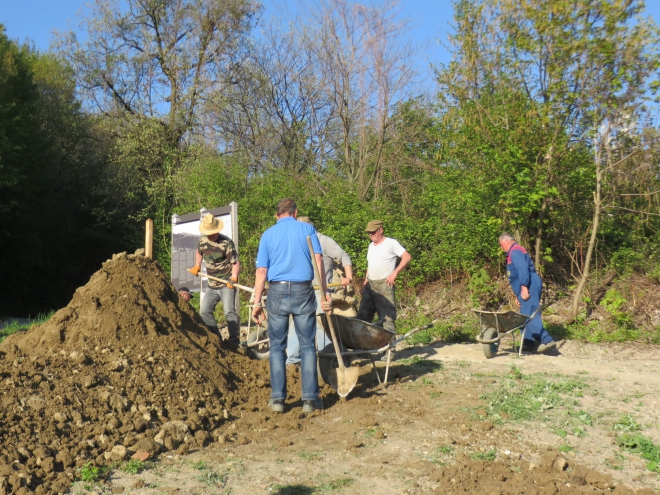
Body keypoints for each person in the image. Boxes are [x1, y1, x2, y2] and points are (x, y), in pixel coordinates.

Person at [252, 199, 332, 413]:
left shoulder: (268, 235)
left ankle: (278, 400)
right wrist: (324, 293)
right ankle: (310, 400)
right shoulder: (307, 228)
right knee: (307, 346)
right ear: (295, 213)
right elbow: (318, 261)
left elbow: (261, 272)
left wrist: (257, 302)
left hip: (276, 292)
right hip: (302, 291)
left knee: (277, 347)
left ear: (277, 215)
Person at [285, 216, 354, 366]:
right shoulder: (298, 243)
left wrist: (348, 276)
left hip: (320, 291)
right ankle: (293, 361)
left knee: (321, 325)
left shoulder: (324, 241)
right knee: (295, 324)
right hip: (301, 290)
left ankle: (327, 360)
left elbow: (343, 256)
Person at [498, 233, 556, 353]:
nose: (501, 248)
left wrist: (524, 287)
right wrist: (518, 294)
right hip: (526, 284)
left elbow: (523, 269)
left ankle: (546, 340)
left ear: (507, 242)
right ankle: (528, 343)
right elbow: (516, 276)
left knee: (529, 313)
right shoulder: (514, 252)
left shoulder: (515, 252)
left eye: (501, 245)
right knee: (524, 313)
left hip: (530, 283)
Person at [189, 213, 241, 347]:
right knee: (204, 311)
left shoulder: (226, 243)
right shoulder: (202, 241)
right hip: (212, 285)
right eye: (211, 233)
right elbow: (199, 252)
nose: (214, 234)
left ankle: (234, 342)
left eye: (215, 232)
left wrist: (234, 278)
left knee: (229, 311)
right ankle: (216, 338)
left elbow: (235, 263)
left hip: (226, 283)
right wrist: (197, 265)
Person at [356, 220, 411, 333]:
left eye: (373, 232)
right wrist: (365, 283)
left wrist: (394, 273)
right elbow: (370, 266)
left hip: (384, 285)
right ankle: (362, 346)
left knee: (387, 319)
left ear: (380, 230)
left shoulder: (391, 243)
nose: (371, 235)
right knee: (363, 317)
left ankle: (390, 347)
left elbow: (407, 257)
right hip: (370, 286)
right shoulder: (371, 246)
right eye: (369, 233)